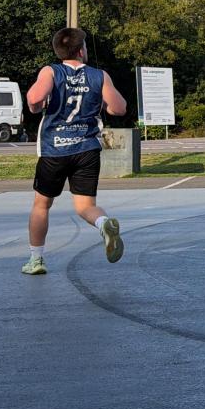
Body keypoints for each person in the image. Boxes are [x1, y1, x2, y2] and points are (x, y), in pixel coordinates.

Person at [22, 27, 128, 275]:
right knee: (85, 206)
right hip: (87, 150)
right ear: (81, 50)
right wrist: (104, 104)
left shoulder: (51, 71)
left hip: (54, 149)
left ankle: (36, 260)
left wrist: (39, 104)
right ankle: (103, 224)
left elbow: (34, 99)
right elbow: (120, 108)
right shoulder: (99, 76)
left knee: (41, 205)